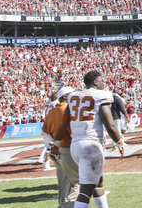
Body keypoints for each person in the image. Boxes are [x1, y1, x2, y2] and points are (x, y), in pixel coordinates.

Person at [50, 71, 125, 208]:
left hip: (76, 146)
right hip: (91, 146)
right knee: (85, 190)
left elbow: (63, 124)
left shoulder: (74, 96)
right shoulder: (101, 95)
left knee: (98, 183)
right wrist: (119, 142)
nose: (104, 83)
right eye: (102, 80)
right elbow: (110, 125)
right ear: (95, 82)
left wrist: (55, 144)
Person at [43, 86, 80, 208]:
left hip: (55, 150)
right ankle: (67, 206)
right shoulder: (68, 110)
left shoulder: (52, 111)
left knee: (63, 184)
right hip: (67, 148)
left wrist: (52, 145)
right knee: (79, 181)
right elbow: (72, 132)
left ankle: (63, 204)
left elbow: (46, 132)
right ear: (65, 96)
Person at [38, 92, 59, 171]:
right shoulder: (56, 104)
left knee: (49, 144)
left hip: (47, 123)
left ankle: (44, 160)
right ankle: (48, 162)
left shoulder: (47, 103)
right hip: (53, 124)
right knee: (54, 144)